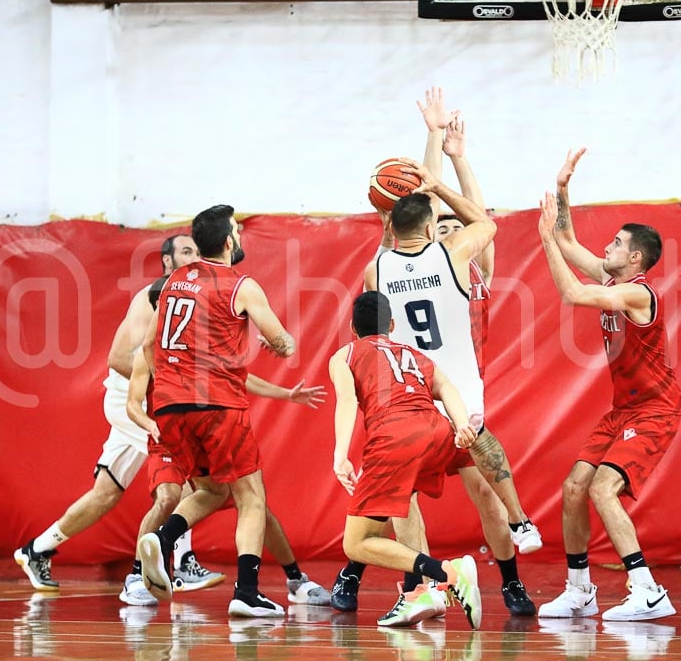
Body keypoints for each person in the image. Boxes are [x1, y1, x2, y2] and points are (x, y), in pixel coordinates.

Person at [332, 92, 538, 621]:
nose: (445, 228)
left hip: (443, 387)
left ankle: (507, 577)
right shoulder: (446, 253)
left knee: (475, 494)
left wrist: (450, 154)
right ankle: (418, 584)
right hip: (420, 388)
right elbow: (437, 207)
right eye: (439, 224)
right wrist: (438, 154)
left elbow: (423, 210)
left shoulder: (430, 265)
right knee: (403, 501)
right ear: (431, 229)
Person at [14, 235, 224, 595]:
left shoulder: (188, 300)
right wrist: (173, 385)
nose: (194, 257)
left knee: (106, 493)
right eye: (185, 251)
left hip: (148, 400)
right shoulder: (151, 299)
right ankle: (175, 562)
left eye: (196, 251)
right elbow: (118, 360)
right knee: (186, 473)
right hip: (130, 399)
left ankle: (38, 548)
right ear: (167, 263)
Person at [120, 279, 332, 608]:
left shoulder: (176, 344)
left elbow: (239, 375)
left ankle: (166, 545)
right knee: (191, 498)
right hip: (193, 424)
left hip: (176, 424)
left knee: (239, 502)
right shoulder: (180, 340)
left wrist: (286, 393)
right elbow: (277, 348)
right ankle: (147, 570)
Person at [535, 148, 680, 621]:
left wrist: (545, 244)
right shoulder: (612, 277)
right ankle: (580, 590)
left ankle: (648, 590)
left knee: (601, 489)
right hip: (624, 409)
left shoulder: (636, 292)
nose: (606, 248)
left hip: (656, 409)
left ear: (634, 257)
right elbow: (568, 237)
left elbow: (573, 293)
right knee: (574, 486)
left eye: (615, 244)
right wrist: (562, 189)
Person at [137, 204, 296, 618]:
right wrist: (280, 344)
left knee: (211, 490)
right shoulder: (241, 285)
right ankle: (246, 592)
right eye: (238, 232)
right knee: (252, 498)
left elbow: (150, 343)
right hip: (217, 405)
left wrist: (172, 379)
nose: (240, 237)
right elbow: (283, 342)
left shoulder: (172, 282)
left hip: (170, 406)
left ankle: (164, 538)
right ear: (228, 241)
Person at [328, 290, 482, 630]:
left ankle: (448, 573)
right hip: (438, 431)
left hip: (396, 437)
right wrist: (461, 426)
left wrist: (341, 455)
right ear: (392, 325)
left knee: (355, 543)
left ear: (353, 328)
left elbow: (347, 402)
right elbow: (447, 388)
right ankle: (423, 595)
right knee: (405, 506)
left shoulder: (346, 353)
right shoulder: (411, 352)